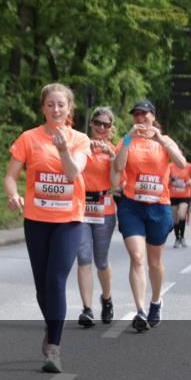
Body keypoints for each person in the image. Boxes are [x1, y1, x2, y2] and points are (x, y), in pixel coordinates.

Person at [5, 83, 89, 373]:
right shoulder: (29, 138)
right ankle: (52, 322)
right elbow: (10, 176)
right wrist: (12, 194)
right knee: (42, 286)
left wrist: (64, 150)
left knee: (55, 281)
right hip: (37, 220)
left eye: (61, 105)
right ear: (43, 108)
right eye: (50, 105)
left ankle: (54, 348)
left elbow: (73, 172)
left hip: (68, 221)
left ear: (69, 109)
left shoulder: (80, 139)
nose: (56, 109)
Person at [113, 100, 186, 332]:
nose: (140, 119)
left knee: (154, 262)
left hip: (159, 206)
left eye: (144, 114)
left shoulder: (165, 141)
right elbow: (118, 165)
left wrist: (160, 139)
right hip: (132, 206)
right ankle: (140, 310)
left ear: (153, 117)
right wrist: (127, 137)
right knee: (137, 257)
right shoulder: (127, 140)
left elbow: (181, 163)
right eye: (136, 115)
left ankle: (156, 301)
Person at [75, 107, 117, 327]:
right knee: (83, 258)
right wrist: (83, 151)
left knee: (101, 261)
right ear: (90, 124)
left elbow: (116, 182)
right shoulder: (81, 145)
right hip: (81, 208)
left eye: (106, 125)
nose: (101, 127)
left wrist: (111, 156)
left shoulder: (114, 151)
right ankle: (87, 309)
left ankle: (107, 299)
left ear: (111, 129)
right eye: (97, 123)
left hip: (105, 209)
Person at [169, 149, 191, 247]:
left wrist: (189, 181)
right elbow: (165, 178)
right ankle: (177, 238)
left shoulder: (188, 166)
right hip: (173, 195)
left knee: (181, 215)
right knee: (175, 218)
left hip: (185, 194)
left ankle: (182, 236)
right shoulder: (170, 166)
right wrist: (170, 180)